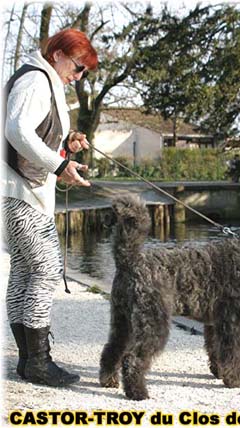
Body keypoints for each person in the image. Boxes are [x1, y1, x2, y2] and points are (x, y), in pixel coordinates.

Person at [2, 28, 98, 387]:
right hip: (20, 192)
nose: (78, 77)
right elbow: (17, 131)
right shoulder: (36, 81)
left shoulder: (37, 79)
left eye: (84, 73)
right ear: (57, 54)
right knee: (46, 269)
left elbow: (32, 137)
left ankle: (28, 361)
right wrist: (60, 166)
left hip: (15, 191)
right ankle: (38, 361)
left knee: (26, 271)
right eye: (78, 67)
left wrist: (65, 147)